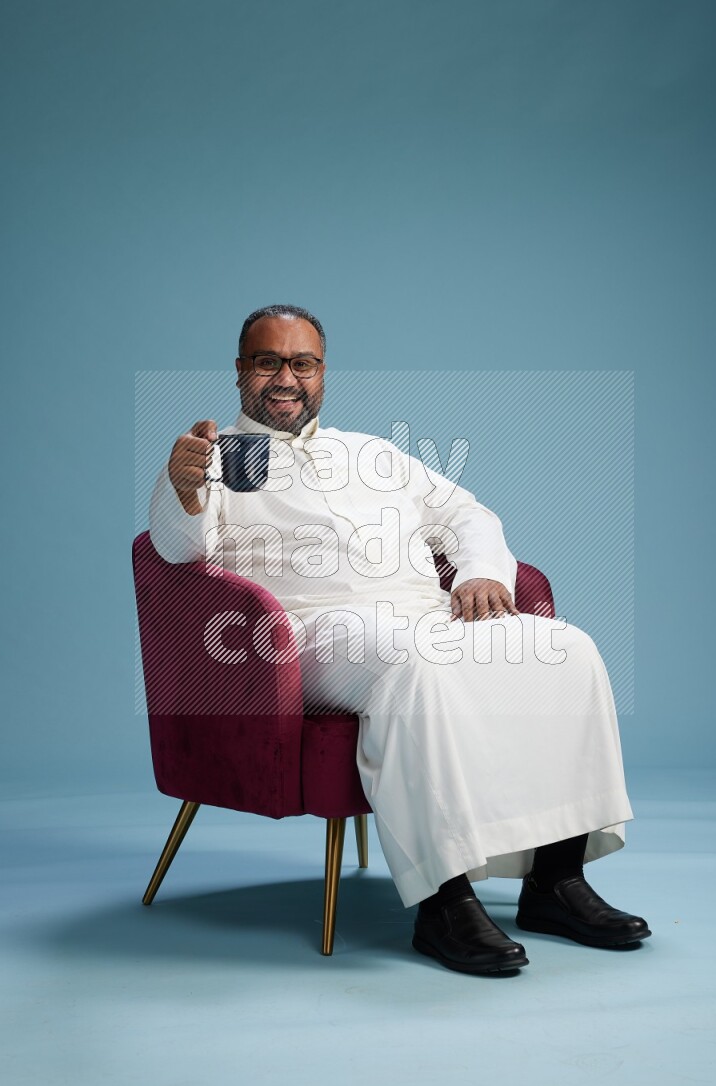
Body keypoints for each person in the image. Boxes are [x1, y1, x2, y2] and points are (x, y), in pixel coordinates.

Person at [149, 303, 651, 976]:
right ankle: (445, 902)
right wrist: (182, 489)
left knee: (566, 651)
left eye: (302, 362)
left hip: (425, 612)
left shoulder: (374, 453)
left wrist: (476, 574)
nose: (286, 378)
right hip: (308, 634)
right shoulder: (216, 460)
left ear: (322, 371)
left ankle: (556, 881)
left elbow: (467, 513)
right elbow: (178, 554)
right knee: (416, 664)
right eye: (268, 361)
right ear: (241, 370)